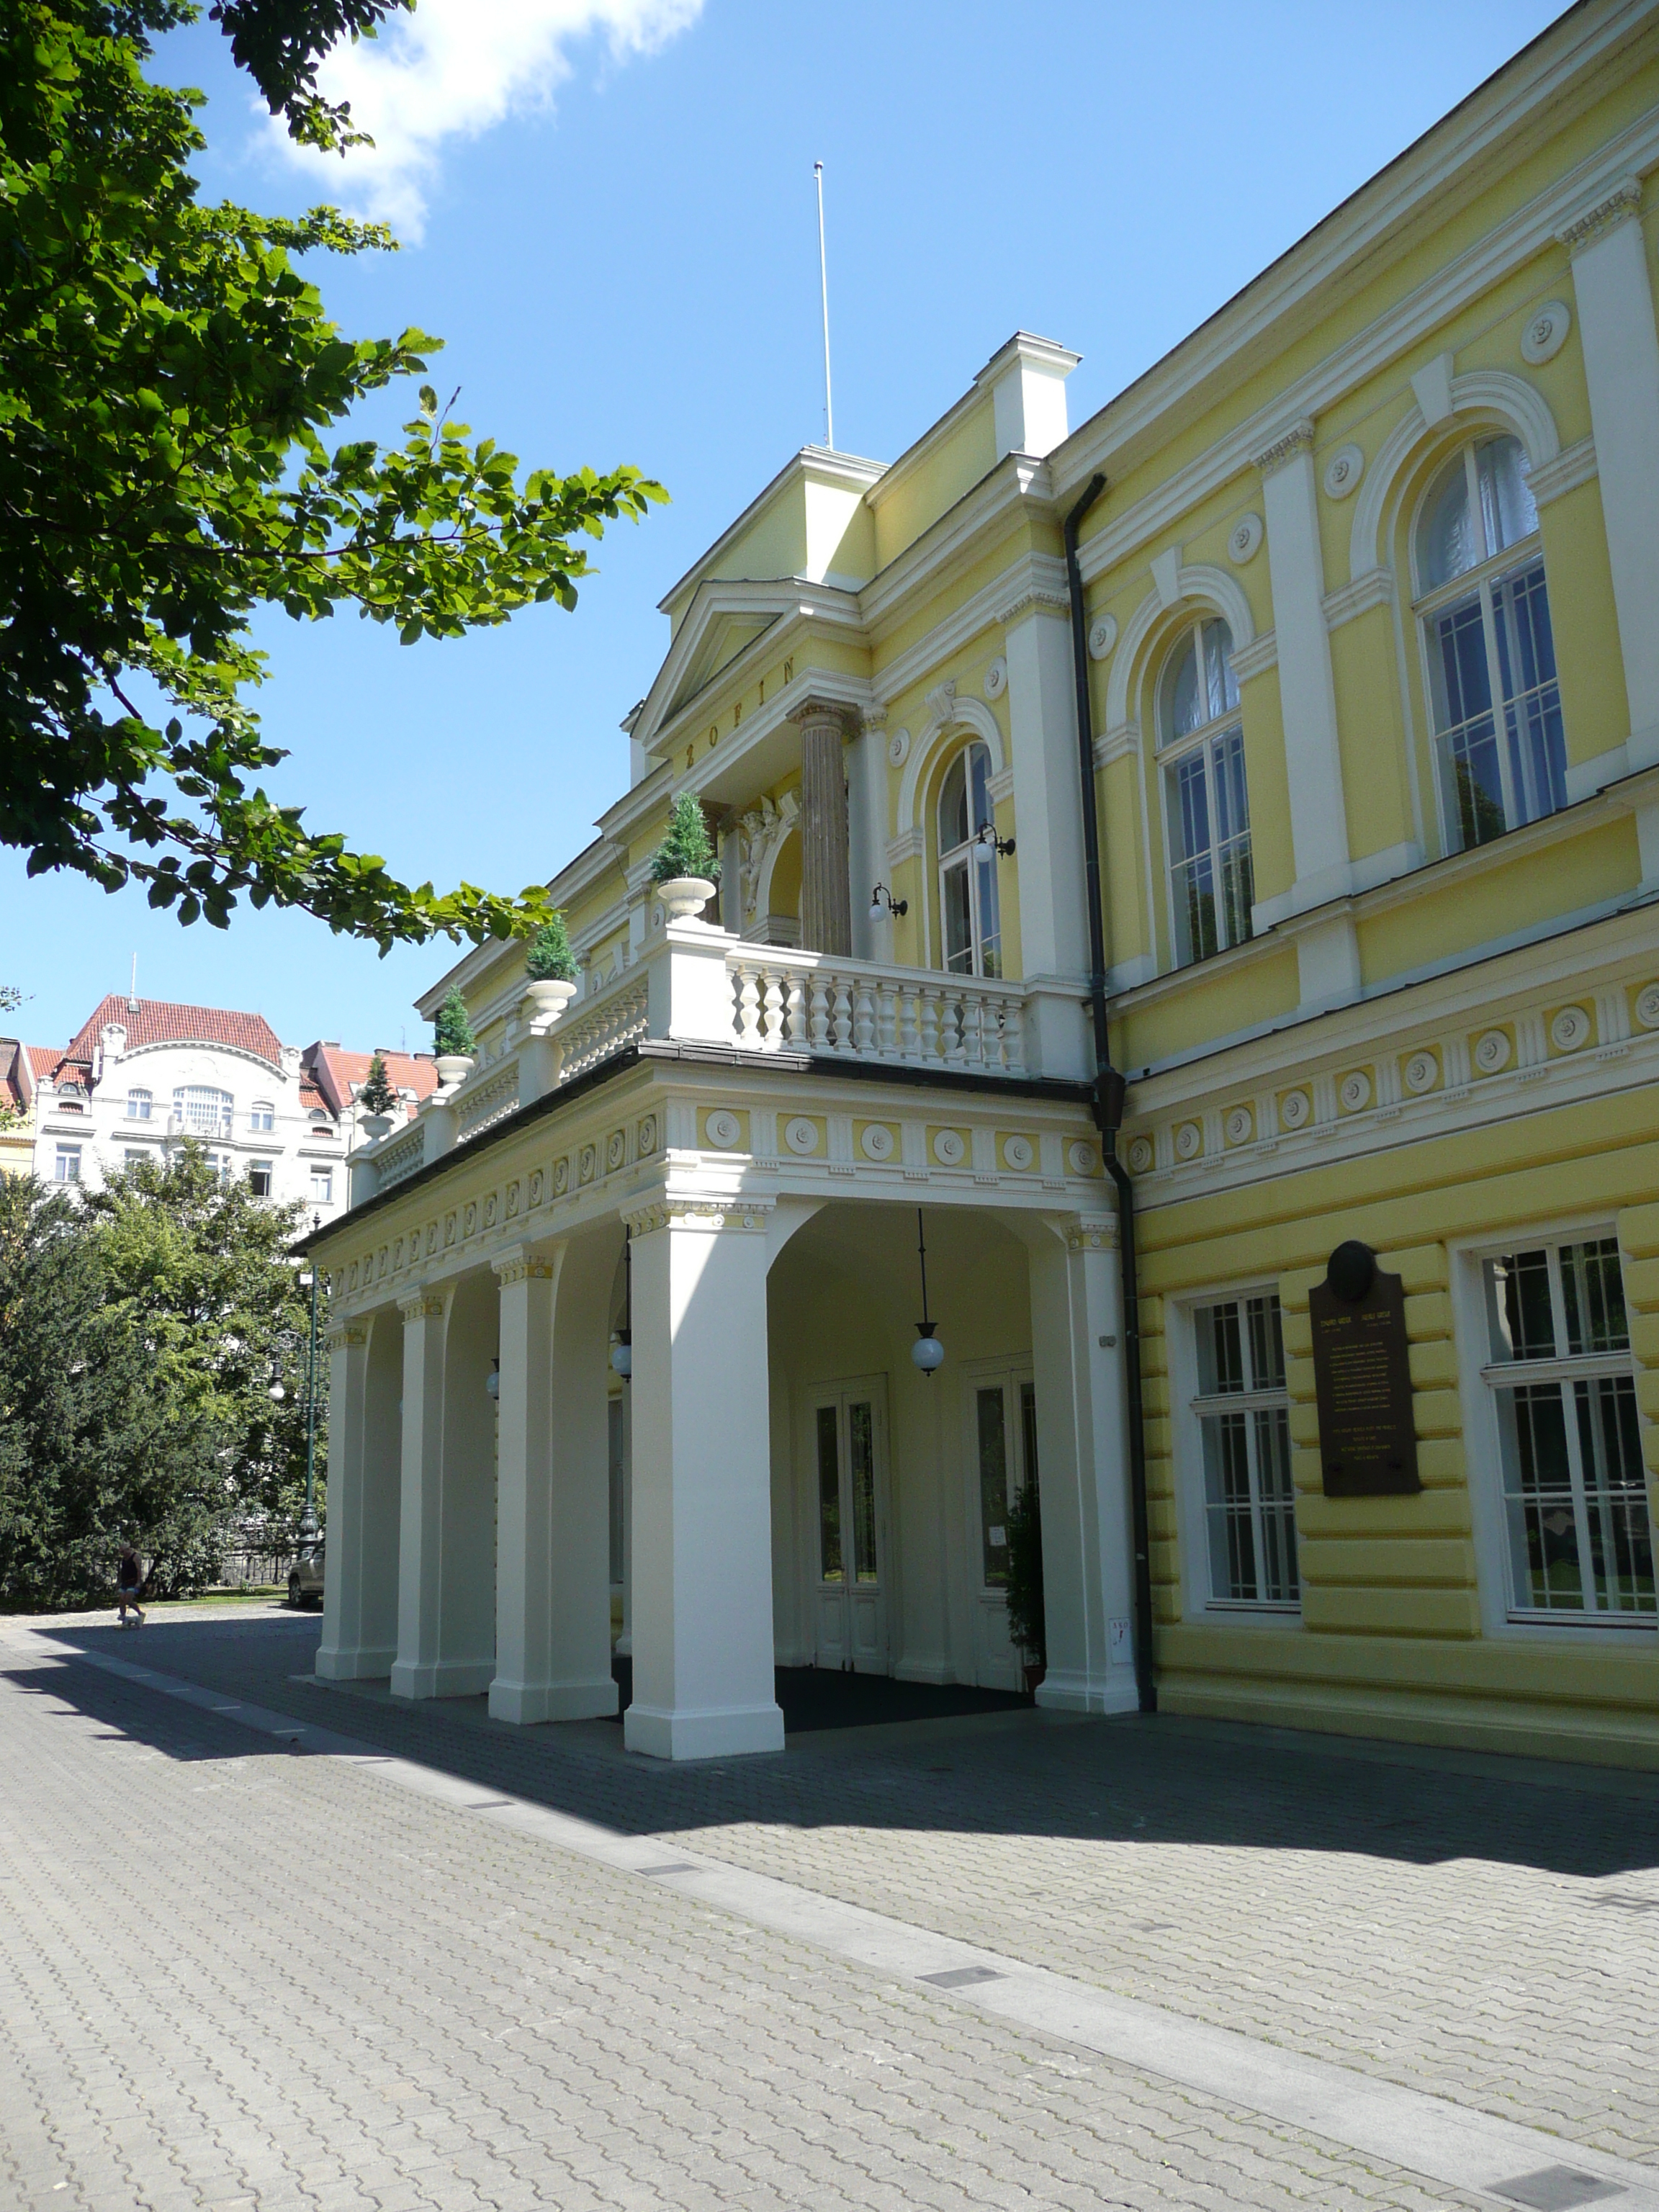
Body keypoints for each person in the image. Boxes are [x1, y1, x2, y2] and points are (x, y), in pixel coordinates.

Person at [115, 1544, 145, 1628]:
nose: (122, 1554)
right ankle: (124, 1619)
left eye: (123, 1552)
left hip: (133, 1582)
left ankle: (141, 1613)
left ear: (127, 1549)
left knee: (128, 1600)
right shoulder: (124, 1559)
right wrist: (119, 1582)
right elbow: (122, 1571)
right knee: (121, 1600)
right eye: (121, 1552)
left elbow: (139, 1570)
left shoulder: (135, 1557)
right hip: (125, 1582)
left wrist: (139, 1582)